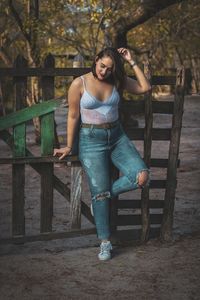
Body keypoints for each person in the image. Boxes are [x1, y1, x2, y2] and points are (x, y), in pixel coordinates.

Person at [54, 47, 151, 261]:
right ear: (96, 60)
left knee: (142, 176)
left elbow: (145, 87)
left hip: (117, 137)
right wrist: (69, 146)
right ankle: (105, 242)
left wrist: (131, 61)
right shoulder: (79, 83)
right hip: (90, 140)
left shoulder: (117, 80)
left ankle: (102, 196)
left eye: (109, 68)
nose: (104, 71)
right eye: (102, 65)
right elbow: (72, 116)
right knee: (98, 189)